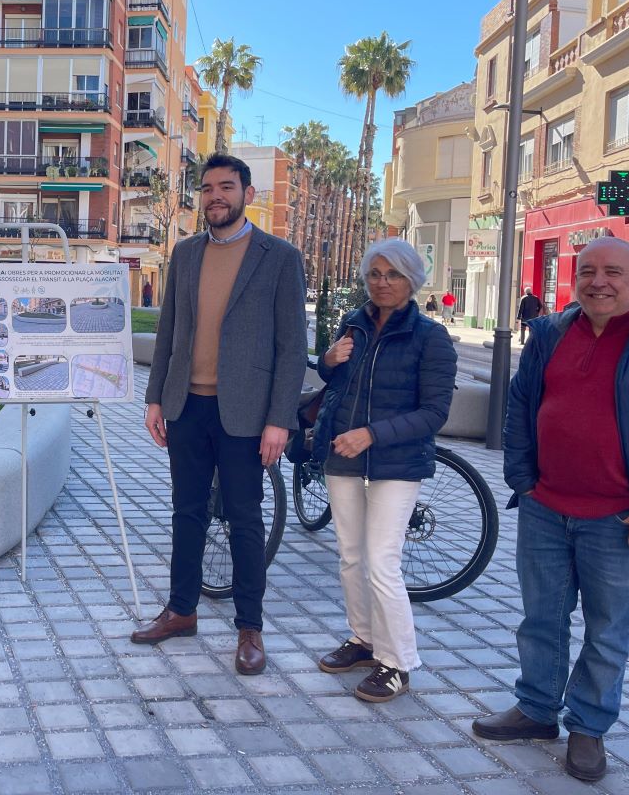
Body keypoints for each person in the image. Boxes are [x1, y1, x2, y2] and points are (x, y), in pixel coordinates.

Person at [473, 236, 629, 783]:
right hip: (545, 508)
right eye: (588, 271)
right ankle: (535, 709)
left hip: (618, 519)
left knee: (607, 631)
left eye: (613, 272)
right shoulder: (551, 332)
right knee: (541, 619)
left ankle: (588, 727)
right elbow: (522, 401)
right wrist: (522, 478)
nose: (598, 281)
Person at [134, 154, 307, 675]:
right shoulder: (185, 255)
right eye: (207, 188)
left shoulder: (279, 257)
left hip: (246, 414)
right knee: (186, 512)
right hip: (187, 406)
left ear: (247, 195)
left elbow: (292, 346)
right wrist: (155, 397)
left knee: (245, 518)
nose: (215, 196)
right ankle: (181, 610)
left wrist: (280, 419)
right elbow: (169, 332)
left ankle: (249, 628)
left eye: (226, 187)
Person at [312, 239, 456, 702]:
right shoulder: (354, 322)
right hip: (344, 455)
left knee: (382, 562)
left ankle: (398, 663)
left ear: (412, 279)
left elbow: (436, 413)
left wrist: (372, 435)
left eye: (392, 274)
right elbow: (340, 383)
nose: (381, 282)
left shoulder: (429, 337)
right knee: (351, 556)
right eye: (374, 273)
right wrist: (328, 362)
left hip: (394, 461)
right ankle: (363, 639)